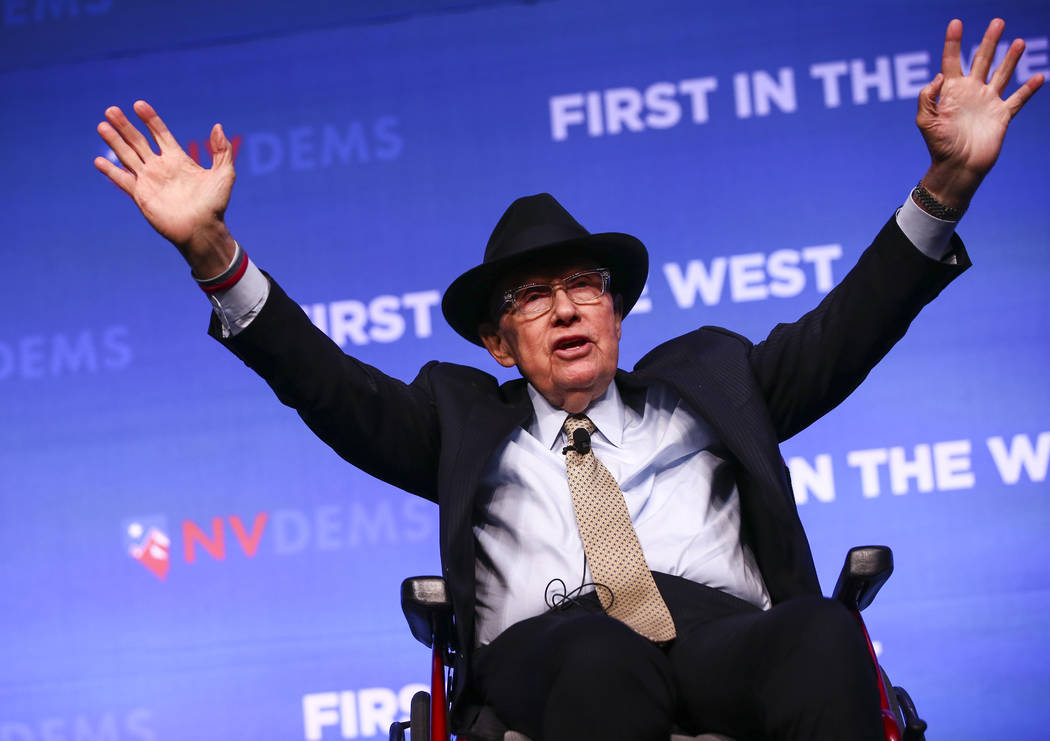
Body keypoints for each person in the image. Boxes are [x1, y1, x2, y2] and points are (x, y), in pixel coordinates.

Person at [95, 18, 1041, 741]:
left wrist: (946, 188)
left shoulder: (715, 378)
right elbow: (324, 383)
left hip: (725, 631)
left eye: (584, 285)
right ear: (501, 345)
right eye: (534, 296)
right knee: (599, 657)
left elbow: (853, 323)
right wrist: (216, 253)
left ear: (618, 313)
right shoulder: (458, 419)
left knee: (823, 634)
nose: (565, 307)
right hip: (557, 648)